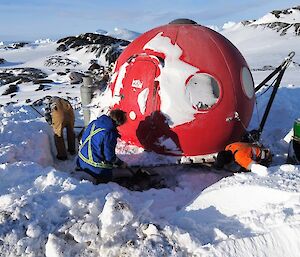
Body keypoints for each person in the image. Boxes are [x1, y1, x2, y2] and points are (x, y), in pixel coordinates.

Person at [77, 109, 127, 184]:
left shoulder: (94, 123)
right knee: (113, 176)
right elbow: (109, 157)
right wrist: (120, 163)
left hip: (81, 160)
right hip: (95, 168)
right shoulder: (110, 133)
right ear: (119, 123)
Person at [44, 96, 76, 160]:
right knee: (70, 131)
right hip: (70, 114)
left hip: (59, 115)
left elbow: (47, 115)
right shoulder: (64, 100)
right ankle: (72, 150)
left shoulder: (50, 102)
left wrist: (51, 123)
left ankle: (62, 155)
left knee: (58, 135)